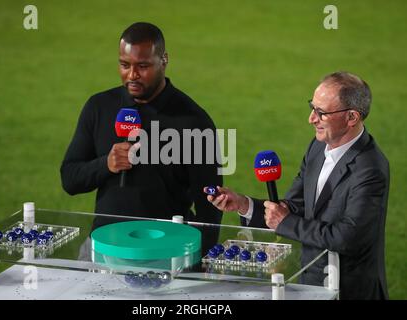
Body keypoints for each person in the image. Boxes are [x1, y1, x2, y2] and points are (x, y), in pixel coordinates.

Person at [205, 72, 389, 300]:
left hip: (349, 291)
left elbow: (347, 237)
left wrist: (286, 221)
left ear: (352, 117)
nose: (311, 118)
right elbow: (293, 208)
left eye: (321, 113)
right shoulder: (317, 147)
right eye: (312, 107)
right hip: (309, 285)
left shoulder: (370, 168)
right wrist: (244, 204)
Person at [61, 22, 223, 231]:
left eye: (142, 66)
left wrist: (197, 259)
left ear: (164, 61)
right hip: (104, 246)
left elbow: (210, 206)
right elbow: (70, 179)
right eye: (124, 65)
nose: (132, 75)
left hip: (166, 251)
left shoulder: (194, 122)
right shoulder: (99, 107)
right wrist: (106, 164)